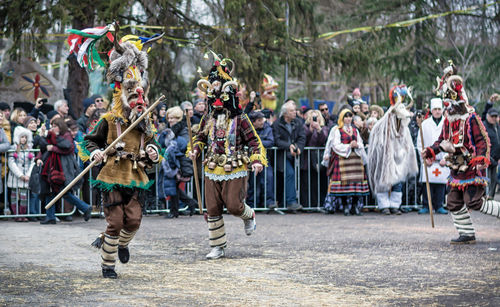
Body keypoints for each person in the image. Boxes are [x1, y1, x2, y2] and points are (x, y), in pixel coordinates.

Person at [82, 28, 163, 278]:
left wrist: (152, 150)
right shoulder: (108, 119)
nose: (138, 97)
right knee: (115, 222)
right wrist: (95, 153)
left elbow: (155, 146)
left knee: (134, 221)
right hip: (111, 174)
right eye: (132, 92)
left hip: (135, 176)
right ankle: (108, 266)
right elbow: (88, 142)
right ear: (122, 93)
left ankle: (123, 244)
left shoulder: (145, 123)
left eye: (140, 93)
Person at [188, 53, 266, 260]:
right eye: (212, 88)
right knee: (212, 208)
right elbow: (200, 138)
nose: (215, 93)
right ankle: (218, 246)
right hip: (212, 165)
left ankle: (249, 215)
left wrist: (257, 160)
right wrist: (195, 149)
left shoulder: (240, 119)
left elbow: (254, 142)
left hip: (235, 165)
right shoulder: (208, 117)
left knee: (233, 205)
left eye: (219, 87)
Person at [422, 63, 500, 244]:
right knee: (453, 202)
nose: (448, 108)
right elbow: (442, 141)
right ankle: (467, 234)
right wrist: (431, 150)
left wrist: (482, 159)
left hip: (472, 167)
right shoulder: (448, 120)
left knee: (474, 201)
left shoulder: (471, 118)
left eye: (450, 104)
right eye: (446, 105)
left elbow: (483, 141)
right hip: (456, 167)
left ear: (459, 102)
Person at [367, 85, 418, 215]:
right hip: (385, 157)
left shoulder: (404, 128)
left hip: (398, 157)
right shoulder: (382, 125)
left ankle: (395, 205)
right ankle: (383, 205)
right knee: (383, 181)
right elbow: (377, 140)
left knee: (398, 183)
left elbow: (407, 141)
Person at [39, 118, 92, 225]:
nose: (53, 128)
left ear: (60, 126)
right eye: (52, 126)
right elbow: (43, 147)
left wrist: (53, 146)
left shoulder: (66, 134)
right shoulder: (52, 135)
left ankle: (85, 208)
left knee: (64, 191)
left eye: (55, 126)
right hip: (52, 167)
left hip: (63, 168)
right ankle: (50, 216)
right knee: (51, 191)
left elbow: (68, 147)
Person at [323, 109, 369, 215]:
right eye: (346, 117)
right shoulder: (337, 130)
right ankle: (345, 207)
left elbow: (361, 143)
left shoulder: (355, 130)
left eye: (350, 116)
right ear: (342, 118)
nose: (348, 119)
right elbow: (335, 145)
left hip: (356, 159)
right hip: (344, 159)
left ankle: (354, 206)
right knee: (344, 185)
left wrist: (357, 145)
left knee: (357, 184)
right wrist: (349, 146)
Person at [160, 106, 197, 218]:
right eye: (169, 118)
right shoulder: (169, 129)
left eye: (173, 118)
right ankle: (183, 206)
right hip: (171, 162)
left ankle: (177, 209)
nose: (170, 120)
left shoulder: (183, 129)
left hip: (179, 162)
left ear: (178, 118)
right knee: (173, 187)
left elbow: (184, 144)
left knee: (173, 186)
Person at [416, 98, 449, 215]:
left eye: (439, 109)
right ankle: (426, 205)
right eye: (435, 109)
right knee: (427, 184)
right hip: (429, 160)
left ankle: (439, 205)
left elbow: (450, 142)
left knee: (441, 185)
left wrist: (446, 158)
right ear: (431, 110)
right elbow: (420, 142)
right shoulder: (425, 124)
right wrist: (424, 158)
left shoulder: (447, 124)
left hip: (442, 160)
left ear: (442, 109)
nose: (437, 111)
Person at [272, 100, 305, 211]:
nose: (295, 112)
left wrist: (299, 148)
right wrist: (288, 146)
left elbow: (302, 137)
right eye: (292, 111)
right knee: (289, 174)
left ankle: (288, 202)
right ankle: (291, 202)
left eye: (295, 110)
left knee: (294, 176)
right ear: (285, 113)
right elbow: (276, 140)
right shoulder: (277, 124)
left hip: (295, 155)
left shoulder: (298, 122)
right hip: (281, 155)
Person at [300, 109, 329, 208]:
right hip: (306, 159)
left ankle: (319, 203)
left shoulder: (324, 128)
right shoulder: (305, 127)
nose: (315, 119)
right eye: (313, 117)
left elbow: (323, 140)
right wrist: (311, 130)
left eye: (317, 117)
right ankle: (307, 205)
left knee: (318, 183)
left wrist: (319, 129)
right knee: (306, 183)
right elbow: (304, 140)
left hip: (318, 159)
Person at [246, 111, 275, 209]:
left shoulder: (268, 129)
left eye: (262, 119)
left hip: (265, 160)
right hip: (252, 159)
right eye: (259, 120)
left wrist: (256, 142)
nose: (262, 122)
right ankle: (252, 203)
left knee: (268, 179)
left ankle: (269, 202)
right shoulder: (249, 130)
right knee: (253, 182)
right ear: (253, 122)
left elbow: (271, 142)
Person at [7, 126, 35, 222]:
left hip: (26, 176)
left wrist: (28, 174)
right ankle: (16, 215)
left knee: (24, 197)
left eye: (25, 137)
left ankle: (23, 214)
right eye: (21, 137)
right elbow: (11, 162)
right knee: (14, 196)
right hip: (16, 176)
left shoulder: (30, 148)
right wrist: (20, 175)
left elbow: (32, 162)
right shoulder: (13, 148)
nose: (23, 139)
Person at [481, 94, 500, 199]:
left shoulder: (497, 126)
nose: (493, 118)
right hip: (487, 158)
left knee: (494, 180)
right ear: (488, 116)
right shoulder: (483, 126)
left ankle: (490, 198)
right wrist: (490, 103)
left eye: (495, 116)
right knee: (486, 180)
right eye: (492, 116)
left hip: (496, 159)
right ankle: (484, 199)